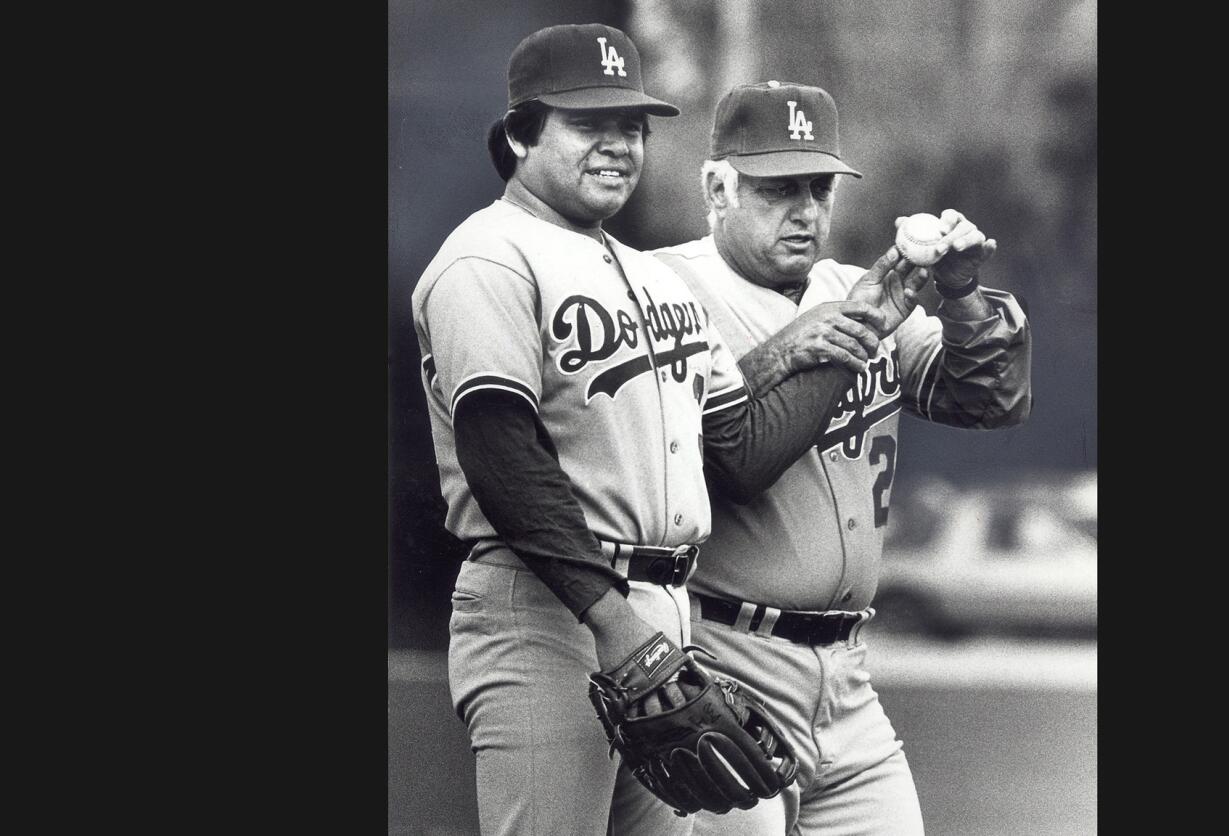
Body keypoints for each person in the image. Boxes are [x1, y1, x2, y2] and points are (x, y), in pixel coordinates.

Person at [410, 29, 927, 836]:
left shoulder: (650, 277)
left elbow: (743, 451)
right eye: (590, 125)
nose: (619, 145)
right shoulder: (489, 257)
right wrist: (616, 626)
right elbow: (501, 455)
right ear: (518, 134)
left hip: (663, 618)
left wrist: (864, 323)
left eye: (633, 126)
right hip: (549, 612)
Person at [648, 80, 1033, 835]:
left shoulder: (851, 288)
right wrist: (796, 349)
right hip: (725, 658)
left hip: (851, 681)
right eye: (777, 189)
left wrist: (959, 296)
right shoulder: (663, 287)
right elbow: (704, 453)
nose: (806, 211)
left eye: (818, 188)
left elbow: (990, 401)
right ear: (717, 186)